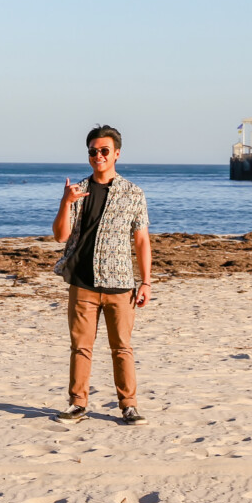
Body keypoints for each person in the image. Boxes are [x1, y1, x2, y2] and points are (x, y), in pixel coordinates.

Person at [51, 124, 152, 425]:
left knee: (122, 347)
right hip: (82, 282)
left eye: (104, 151)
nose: (98, 156)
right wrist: (66, 202)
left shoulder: (133, 193)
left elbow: (142, 240)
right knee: (80, 347)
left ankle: (129, 406)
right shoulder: (77, 190)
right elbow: (60, 236)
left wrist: (145, 280)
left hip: (120, 285)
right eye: (93, 151)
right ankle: (77, 404)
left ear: (116, 154)